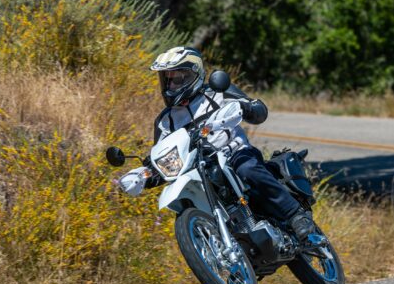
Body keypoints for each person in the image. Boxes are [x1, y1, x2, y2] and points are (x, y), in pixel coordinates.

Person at [118, 46, 314, 240]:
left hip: (234, 153)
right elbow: (163, 160)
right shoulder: (164, 122)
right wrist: (141, 176)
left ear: (193, 75)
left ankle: (295, 215)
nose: (171, 85)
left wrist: (244, 107)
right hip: (199, 171)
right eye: (166, 79)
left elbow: (258, 112)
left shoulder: (218, 93)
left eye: (177, 78)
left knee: (247, 169)